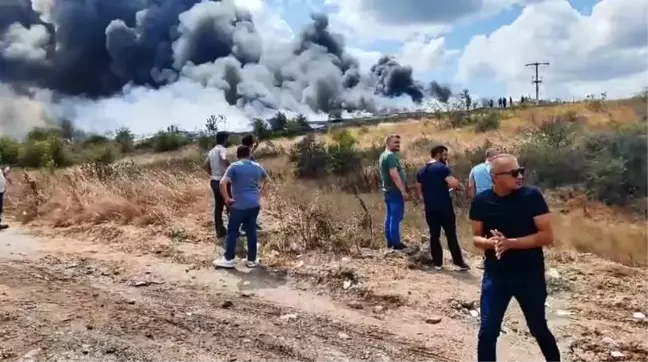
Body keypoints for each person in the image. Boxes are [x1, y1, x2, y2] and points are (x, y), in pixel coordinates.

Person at [469, 154, 560, 362]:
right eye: (513, 173)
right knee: (488, 331)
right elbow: (476, 238)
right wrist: (492, 243)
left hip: (529, 274)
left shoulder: (532, 196)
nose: (519, 176)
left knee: (538, 328)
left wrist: (511, 243)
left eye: (521, 171)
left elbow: (547, 236)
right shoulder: (482, 201)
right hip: (496, 275)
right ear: (495, 177)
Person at [213, 145, 269, 269]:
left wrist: (227, 199)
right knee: (251, 231)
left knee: (233, 231)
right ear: (249, 154)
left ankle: (229, 259)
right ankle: (252, 259)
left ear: (238, 155)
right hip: (254, 204)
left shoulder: (234, 167)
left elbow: (222, 183)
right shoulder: (257, 166)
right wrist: (260, 193)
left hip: (238, 205)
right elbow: (267, 180)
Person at [416, 145, 470, 271]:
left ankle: (438, 263)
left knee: (434, 235)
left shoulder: (421, 171)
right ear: (438, 154)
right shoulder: (442, 168)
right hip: (444, 207)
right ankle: (458, 262)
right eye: (445, 155)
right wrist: (456, 185)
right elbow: (453, 183)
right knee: (451, 234)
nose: (446, 158)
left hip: (430, 207)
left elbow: (419, 192)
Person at [379, 134, 409, 250]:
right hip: (395, 191)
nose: (398, 144)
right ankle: (396, 243)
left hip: (388, 190)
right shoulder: (390, 156)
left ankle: (390, 242)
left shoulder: (383, 155)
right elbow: (394, 175)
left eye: (398, 142)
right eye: (395, 142)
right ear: (388, 143)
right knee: (396, 217)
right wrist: (402, 190)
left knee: (390, 216)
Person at [203, 131, 230, 238]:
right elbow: (223, 160)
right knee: (229, 204)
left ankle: (220, 231)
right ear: (224, 139)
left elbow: (205, 165)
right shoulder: (222, 150)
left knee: (218, 206)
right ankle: (233, 229)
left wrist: (212, 174)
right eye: (227, 139)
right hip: (223, 181)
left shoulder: (211, 151)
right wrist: (231, 168)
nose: (227, 141)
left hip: (214, 181)